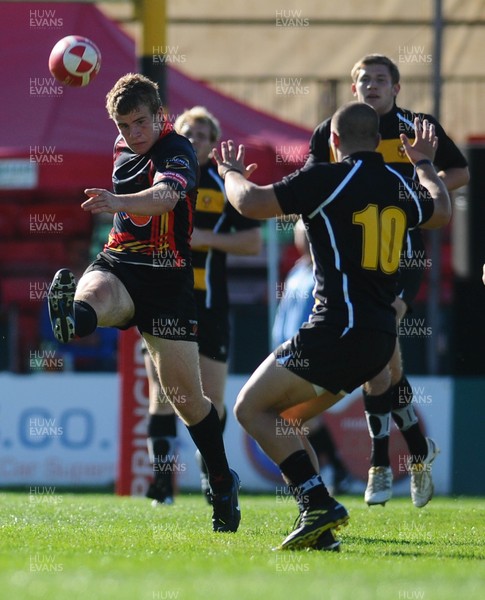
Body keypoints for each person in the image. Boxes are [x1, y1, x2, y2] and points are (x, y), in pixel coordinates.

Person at [212, 101, 451, 551]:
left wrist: (228, 172)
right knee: (287, 421)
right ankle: (319, 525)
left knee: (249, 408)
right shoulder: (398, 182)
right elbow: (440, 210)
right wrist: (423, 162)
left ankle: (316, 502)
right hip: (378, 342)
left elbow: (251, 202)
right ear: (378, 140)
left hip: (336, 331)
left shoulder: (325, 178)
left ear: (335, 141)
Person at [46, 73, 241, 533]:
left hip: (168, 281)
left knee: (185, 398)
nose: (132, 134)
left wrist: (116, 199)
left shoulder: (178, 150)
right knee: (91, 293)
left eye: (140, 123)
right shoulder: (122, 147)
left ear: (159, 115)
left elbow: (165, 197)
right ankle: (73, 318)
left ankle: (221, 477)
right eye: (123, 125)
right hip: (120, 261)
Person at [307, 54, 469, 508]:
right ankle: (417, 450)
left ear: (396, 88)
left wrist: (422, 183)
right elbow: (314, 182)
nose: (372, 86)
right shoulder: (332, 132)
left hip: (402, 256)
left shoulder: (416, 128)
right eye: (364, 80)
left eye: (381, 80)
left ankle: (379, 465)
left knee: (376, 359)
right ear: (353, 88)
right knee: (381, 359)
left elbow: (461, 171)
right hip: (353, 262)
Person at [144, 106, 261, 505]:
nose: (195, 141)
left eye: (203, 135)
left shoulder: (224, 183)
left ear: (214, 144)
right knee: (162, 393)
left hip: (209, 304)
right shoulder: (160, 174)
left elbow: (252, 243)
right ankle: (162, 485)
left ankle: (211, 471)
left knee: (211, 399)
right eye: (187, 133)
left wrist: (205, 238)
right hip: (163, 299)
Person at [272, 218, 361, 495]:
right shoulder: (298, 271)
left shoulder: (325, 273)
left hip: (310, 354)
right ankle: (326, 475)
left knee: (299, 418)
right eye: (301, 236)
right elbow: (283, 315)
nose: (304, 241)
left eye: (307, 236)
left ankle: (318, 478)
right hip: (288, 354)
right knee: (298, 420)